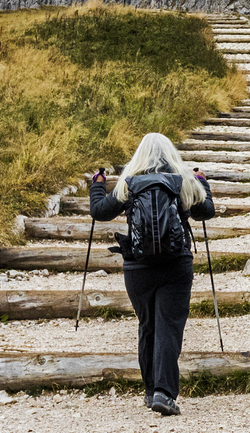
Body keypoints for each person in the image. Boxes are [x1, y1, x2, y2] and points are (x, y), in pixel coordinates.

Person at [86, 133, 216, 415]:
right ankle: (163, 393)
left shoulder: (128, 183)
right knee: (169, 327)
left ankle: (149, 391)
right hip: (176, 265)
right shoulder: (183, 180)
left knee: (147, 326)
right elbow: (206, 212)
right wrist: (203, 181)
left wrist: (97, 185)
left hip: (137, 268)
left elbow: (99, 211)